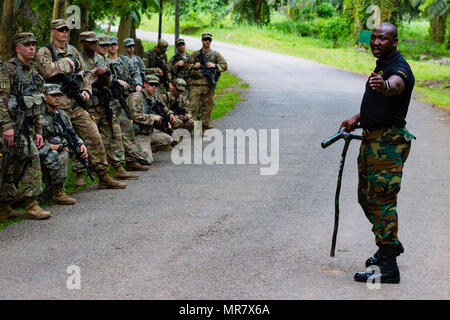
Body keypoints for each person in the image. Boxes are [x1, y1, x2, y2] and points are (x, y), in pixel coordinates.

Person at [339, 23, 415, 284]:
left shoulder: (398, 68)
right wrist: (357, 118)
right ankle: (388, 246)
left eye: (382, 38)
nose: (376, 42)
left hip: (387, 145)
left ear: (394, 41)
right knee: (366, 198)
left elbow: (396, 85)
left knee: (382, 202)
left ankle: (388, 266)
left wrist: (385, 85)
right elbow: (380, 104)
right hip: (372, 140)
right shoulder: (382, 63)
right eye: (373, 37)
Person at [36, 19, 124, 190]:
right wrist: (65, 64)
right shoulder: (44, 51)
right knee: (57, 144)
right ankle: (54, 188)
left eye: (66, 30)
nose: (64, 32)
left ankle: (103, 176)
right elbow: (46, 71)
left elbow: (86, 74)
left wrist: (86, 90)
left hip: (75, 105)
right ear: (53, 31)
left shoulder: (72, 50)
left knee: (94, 136)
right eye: (60, 29)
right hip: (55, 109)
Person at [0, 33, 51, 220]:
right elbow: (1, 99)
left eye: (33, 45)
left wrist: (38, 131)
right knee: (28, 157)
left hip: (26, 127)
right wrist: (6, 125)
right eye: (27, 45)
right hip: (9, 125)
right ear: (18, 48)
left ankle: (6, 206)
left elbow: (37, 105)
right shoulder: (8, 70)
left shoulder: (34, 74)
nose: (32, 48)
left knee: (12, 163)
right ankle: (31, 203)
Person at [80, 32, 137, 182]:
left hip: (103, 102)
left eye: (96, 43)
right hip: (88, 104)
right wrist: (94, 74)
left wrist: (106, 73)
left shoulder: (101, 60)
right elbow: (80, 80)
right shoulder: (80, 59)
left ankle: (118, 167)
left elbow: (108, 81)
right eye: (100, 45)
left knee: (115, 133)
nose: (102, 47)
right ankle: (80, 173)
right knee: (90, 138)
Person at [39, 83, 88, 205]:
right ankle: (58, 192)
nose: (57, 98)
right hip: (45, 149)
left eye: (58, 95)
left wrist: (80, 144)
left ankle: (52, 189)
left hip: (62, 146)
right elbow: (36, 140)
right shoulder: (39, 116)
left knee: (80, 150)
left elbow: (71, 133)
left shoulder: (62, 114)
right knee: (60, 155)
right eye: (53, 95)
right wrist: (53, 147)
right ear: (44, 96)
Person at [108, 36, 150, 171]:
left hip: (127, 97)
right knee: (118, 130)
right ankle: (120, 162)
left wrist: (138, 84)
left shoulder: (124, 60)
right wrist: (117, 81)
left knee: (129, 126)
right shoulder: (105, 62)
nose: (113, 47)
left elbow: (134, 72)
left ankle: (131, 159)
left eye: (115, 44)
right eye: (110, 45)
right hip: (112, 99)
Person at [185, 32, 227, 132]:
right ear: (202, 40)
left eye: (209, 40)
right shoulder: (196, 54)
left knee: (207, 108)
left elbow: (224, 66)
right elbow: (186, 66)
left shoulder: (215, 54)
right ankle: (190, 129)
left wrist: (215, 65)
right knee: (193, 107)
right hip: (196, 85)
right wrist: (194, 66)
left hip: (209, 85)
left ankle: (202, 130)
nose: (207, 41)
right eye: (205, 39)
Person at [127, 75, 173, 164]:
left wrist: (168, 117)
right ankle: (135, 151)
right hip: (137, 133)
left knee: (168, 139)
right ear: (145, 84)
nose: (154, 87)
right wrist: (153, 118)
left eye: (156, 85)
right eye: (151, 84)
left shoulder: (152, 98)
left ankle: (148, 148)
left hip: (148, 132)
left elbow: (162, 108)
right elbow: (134, 115)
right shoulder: (136, 97)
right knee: (147, 160)